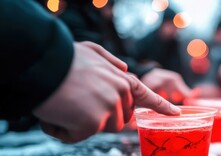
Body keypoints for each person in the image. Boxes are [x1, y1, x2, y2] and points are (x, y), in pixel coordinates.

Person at [0, 0, 180, 143]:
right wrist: (55, 62)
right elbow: (86, 58)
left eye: (111, 5)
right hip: (26, 131)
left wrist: (143, 73)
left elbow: (112, 56)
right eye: (109, 5)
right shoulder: (72, 15)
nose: (110, 10)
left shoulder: (104, 21)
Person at [57, 0, 191, 104]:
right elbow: (101, 57)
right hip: (86, 97)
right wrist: (144, 70)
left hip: (154, 89)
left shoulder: (107, 24)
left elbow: (123, 55)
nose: (111, 11)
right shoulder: (75, 20)